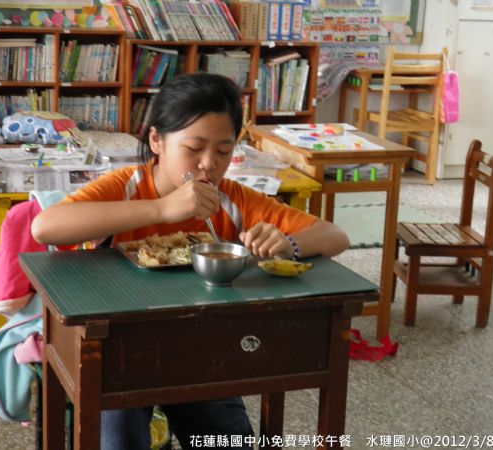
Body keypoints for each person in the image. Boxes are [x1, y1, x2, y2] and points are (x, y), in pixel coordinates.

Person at [32, 72, 350, 450]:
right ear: (156, 140)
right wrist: (162, 208)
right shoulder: (127, 187)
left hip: (200, 348)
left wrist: (287, 244)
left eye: (223, 151)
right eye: (194, 148)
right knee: (119, 439)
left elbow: (335, 236)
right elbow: (45, 228)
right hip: (118, 348)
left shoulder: (230, 199)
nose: (208, 165)